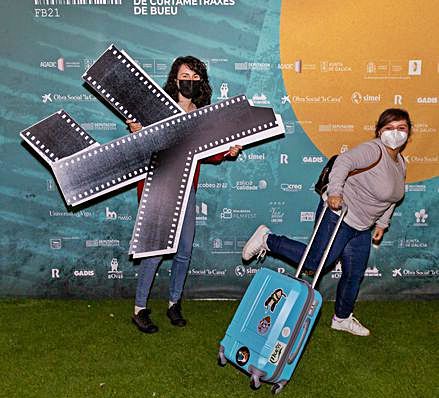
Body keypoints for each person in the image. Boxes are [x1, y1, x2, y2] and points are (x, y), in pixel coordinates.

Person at [242, 108, 411, 336]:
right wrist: (335, 192)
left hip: (362, 226)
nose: (396, 133)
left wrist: (382, 224)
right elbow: (344, 161)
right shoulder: (374, 150)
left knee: (354, 273)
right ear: (380, 131)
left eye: (401, 128)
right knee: (316, 261)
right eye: (390, 128)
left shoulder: (400, 162)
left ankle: (342, 318)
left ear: (409, 132)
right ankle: (267, 239)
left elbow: (391, 198)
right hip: (340, 213)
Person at [127, 56, 242, 334]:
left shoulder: (202, 116)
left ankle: (174, 303)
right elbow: (140, 146)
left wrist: (228, 151)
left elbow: (210, 154)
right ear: (174, 78)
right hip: (157, 187)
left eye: (194, 76)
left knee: (184, 250)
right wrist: (138, 131)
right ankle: (139, 309)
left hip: (186, 188)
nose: (189, 81)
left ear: (201, 81)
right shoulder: (156, 110)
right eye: (184, 75)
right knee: (154, 250)